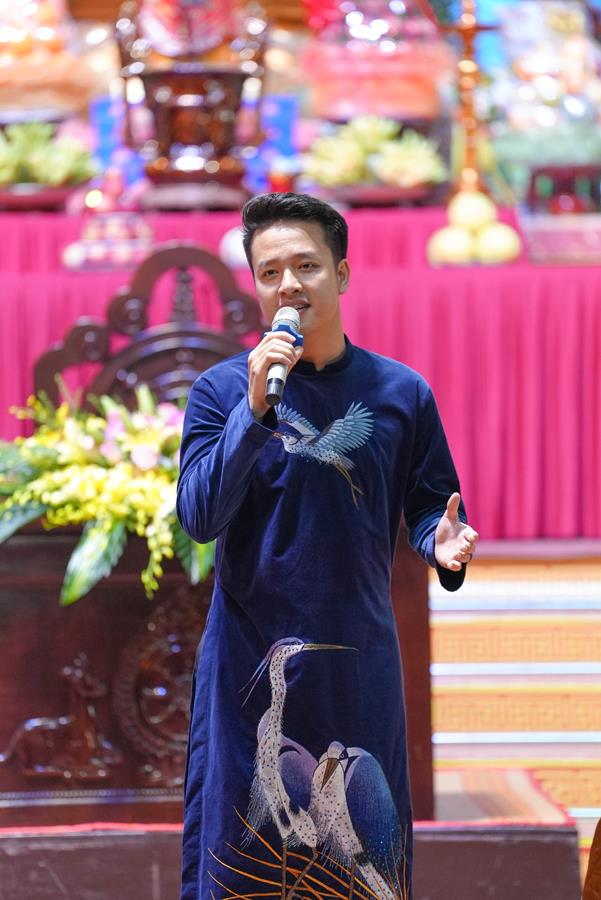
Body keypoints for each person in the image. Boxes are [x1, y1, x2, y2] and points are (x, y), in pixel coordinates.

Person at [176, 192, 479, 900]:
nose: (289, 285)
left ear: (340, 274)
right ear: (256, 287)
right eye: (270, 272)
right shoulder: (220, 393)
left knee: (363, 860)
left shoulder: (399, 392)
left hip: (358, 658)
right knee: (245, 862)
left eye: (306, 266)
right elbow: (198, 515)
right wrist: (253, 413)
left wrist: (440, 541)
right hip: (250, 663)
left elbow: (430, 505)